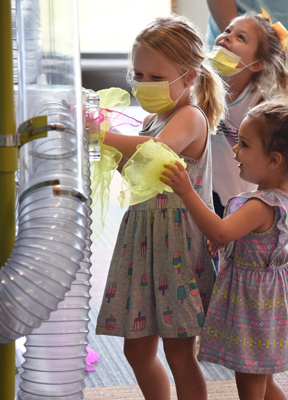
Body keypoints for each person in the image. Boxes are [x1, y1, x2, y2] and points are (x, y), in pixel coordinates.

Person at [94, 15, 226, 400]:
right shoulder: (154, 117)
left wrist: (101, 134)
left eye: (156, 76)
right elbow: (137, 173)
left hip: (178, 243)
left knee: (180, 351)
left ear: (189, 77)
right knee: (136, 348)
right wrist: (107, 146)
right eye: (138, 75)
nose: (144, 84)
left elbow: (155, 154)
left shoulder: (190, 116)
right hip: (143, 238)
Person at [161, 93, 288, 399]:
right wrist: (229, 245)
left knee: (250, 387)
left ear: (274, 160)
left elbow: (222, 231)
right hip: (272, 303)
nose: (235, 150)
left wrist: (187, 192)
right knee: (265, 384)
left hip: (254, 309)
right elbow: (252, 242)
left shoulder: (259, 205)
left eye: (245, 145)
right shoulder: (284, 201)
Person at [207, 11, 288, 217]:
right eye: (228, 30)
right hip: (202, 187)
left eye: (241, 37)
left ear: (256, 64)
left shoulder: (258, 107)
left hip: (237, 197)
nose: (227, 36)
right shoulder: (201, 86)